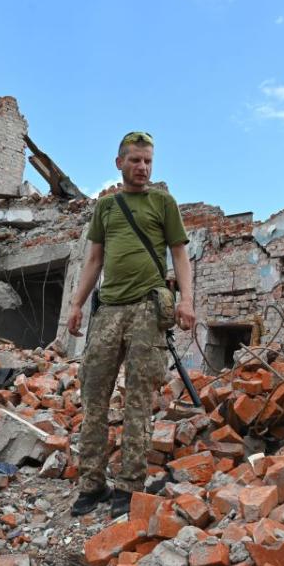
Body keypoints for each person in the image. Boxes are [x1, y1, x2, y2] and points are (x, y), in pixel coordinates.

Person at [66, 131, 196, 518]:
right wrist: (76, 304)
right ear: (119, 162)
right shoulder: (105, 208)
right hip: (107, 311)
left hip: (147, 309)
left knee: (138, 401)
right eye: (136, 160)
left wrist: (187, 300)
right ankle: (91, 485)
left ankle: (129, 485)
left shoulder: (163, 202)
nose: (142, 168)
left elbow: (179, 254)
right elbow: (94, 261)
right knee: (93, 398)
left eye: (148, 161)